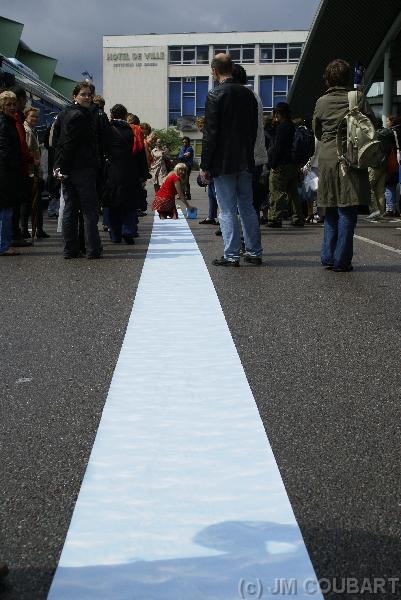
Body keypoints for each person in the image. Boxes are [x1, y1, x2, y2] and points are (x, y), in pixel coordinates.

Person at [313, 59, 375, 272]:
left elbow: (317, 131)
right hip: (351, 158)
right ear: (348, 78)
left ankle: (328, 256)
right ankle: (342, 260)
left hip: (328, 158)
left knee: (330, 207)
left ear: (328, 79)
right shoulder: (357, 98)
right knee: (347, 210)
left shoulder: (321, 101)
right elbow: (371, 125)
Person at [201, 53, 262, 266]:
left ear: (214, 71)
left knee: (227, 209)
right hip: (245, 159)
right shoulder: (248, 94)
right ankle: (254, 251)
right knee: (247, 206)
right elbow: (254, 129)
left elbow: (210, 133)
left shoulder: (214, 94)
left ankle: (232, 255)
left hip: (223, 161)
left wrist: (205, 165)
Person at [55, 81, 102, 259]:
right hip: (81, 169)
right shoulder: (81, 116)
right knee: (89, 211)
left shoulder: (64, 113)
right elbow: (69, 144)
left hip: (68, 168)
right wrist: (64, 168)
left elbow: (56, 142)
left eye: (89, 94)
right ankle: (92, 249)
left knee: (70, 208)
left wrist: (58, 167)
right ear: (74, 96)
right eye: (83, 94)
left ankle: (70, 249)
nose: (87, 97)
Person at [104, 103, 146, 244]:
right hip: (131, 170)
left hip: (112, 171)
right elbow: (140, 153)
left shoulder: (107, 129)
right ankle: (128, 230)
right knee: (130, 203)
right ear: (125, 115)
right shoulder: (134, 130)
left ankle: (115, 234)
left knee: (113, 203)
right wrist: (143, 173)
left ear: (112, 115)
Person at [267, 102, 304, 227]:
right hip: (293, 163)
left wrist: (273, 164)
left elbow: (278, 147)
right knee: (293, 192)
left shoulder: (282, 128)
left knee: (277, 190)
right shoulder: (292, 126)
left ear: (278, 113)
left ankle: (275, 218)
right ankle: (298, 217)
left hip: (281, 164)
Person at [10, 86, 34, 247]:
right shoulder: (15, 120)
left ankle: (15, 233)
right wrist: (31, 159)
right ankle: (14, 235)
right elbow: (21, 145)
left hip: (17, 165)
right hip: (18, 167)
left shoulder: (15, 119)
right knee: (16, 204)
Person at [22, 106, 50, 239]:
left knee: (35, 202)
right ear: (26, 116)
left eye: (37, 117)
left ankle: (38, 229)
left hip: (34, 170)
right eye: (32, 116)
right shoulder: (27, 131)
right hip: (31, 171)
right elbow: (28, 150)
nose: (35, 119)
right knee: (30, 202)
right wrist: (34, 164)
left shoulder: (32, 130)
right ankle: (28, 229)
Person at [0, 90, 22, 256]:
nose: (12, 107)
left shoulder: (8, 121)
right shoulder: (4, 123)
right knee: (5, 209)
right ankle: (3, 245)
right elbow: (4, 150)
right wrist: (15, 165)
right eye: (8, 104)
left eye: (14, 104)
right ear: (2, 106)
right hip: (5, 173)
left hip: (6, 171)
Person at [196, 116, 218, 225]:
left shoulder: (210, 135)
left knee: (216, 194)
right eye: (198, 126)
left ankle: (222, 218)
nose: (199, 128)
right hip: (209, 167)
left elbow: (209, 152)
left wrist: (205, 168)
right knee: (211, 194)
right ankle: (211, 216)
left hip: (212, 169)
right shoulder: (207, 135)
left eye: (201, 125)